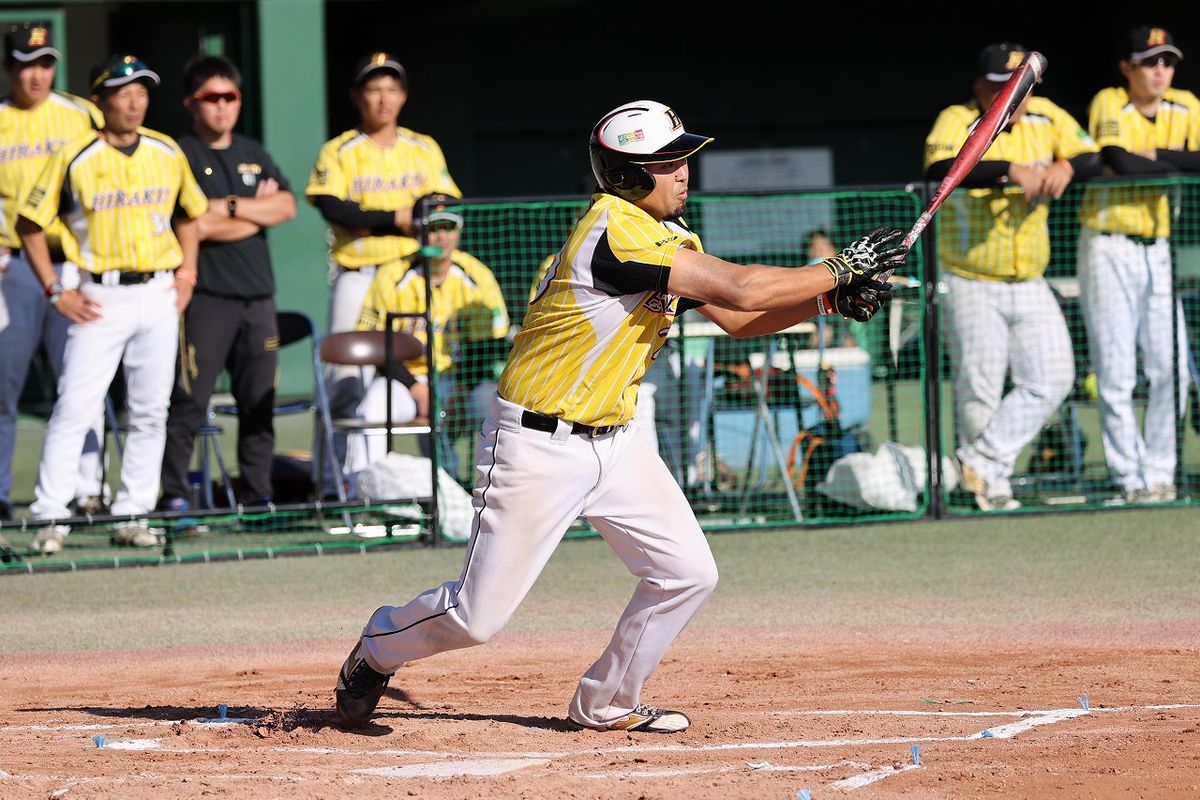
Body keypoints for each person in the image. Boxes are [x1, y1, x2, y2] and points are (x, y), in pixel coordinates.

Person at [333, 100, 904, 732]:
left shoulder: (670, 237)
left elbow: (739, 319)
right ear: (628, 175)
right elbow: (743, 288)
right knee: (476, 618)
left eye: (684, 157)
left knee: (686, 573)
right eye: (666, 162)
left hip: (618, 440)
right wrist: (837, 267)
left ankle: (606, 701)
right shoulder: (614, 229)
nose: (684, 171)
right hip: (537, 442)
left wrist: (824, 300)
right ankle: (378, 647)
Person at [18, 54, 207, 554]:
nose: (134, 100)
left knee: (149, 411)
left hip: (158, 291)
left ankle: (133, 512)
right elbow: (29, 225)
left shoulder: (166, 150)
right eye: (122, 91)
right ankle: (49, 515)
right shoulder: (74, 155)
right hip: (98, 294)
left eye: (141, 90)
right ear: (98, 100)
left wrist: (187, 273)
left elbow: (189, 216)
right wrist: (56, 290)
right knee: (75, 407)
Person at [924, 42, 1101, 512]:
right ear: (980, 87)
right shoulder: (957, 116)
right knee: (979, 387)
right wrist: (1009, 170)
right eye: (1004, 88)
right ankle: (988, 484)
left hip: (1029, 277)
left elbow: (1092, 155)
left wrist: (1064, 165)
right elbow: (940, 167)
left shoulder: (1045, 114)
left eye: (1021, 87)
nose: (1014, 98)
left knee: (1054, 376)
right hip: (971, 277)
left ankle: (981, 460)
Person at [305, 52, 460, 491]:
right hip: (361, 272)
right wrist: (397, 215)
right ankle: (339, 483)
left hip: (413, 276)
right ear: (358, 96)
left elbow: (443, 201)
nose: (383, 97)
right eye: (374, 88)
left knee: (427, 372)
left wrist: (408, 212)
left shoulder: (423, 146)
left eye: (392, 88)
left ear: (403, 95)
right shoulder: (339, 149)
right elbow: (334, 207)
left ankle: (443, 481)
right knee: (345, 379)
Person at [158, 54, 296, 511]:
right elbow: (187, 224)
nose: (221, 106)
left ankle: (257, 497)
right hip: (206, 297)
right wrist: (253, 213)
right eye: (210, 98)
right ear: (191, 103)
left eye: (229, 97)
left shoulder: (254, 151)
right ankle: (176, 496)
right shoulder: (179, 155)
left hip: (258, 298)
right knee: (189, 402)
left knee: (259, 402)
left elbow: (286, 208)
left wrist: (225, 208)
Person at [1078, 25, 1200, 504]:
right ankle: (1129, 477)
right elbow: (1117, 161)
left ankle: (1160, 473)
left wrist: (1155, 157)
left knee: (1172, 368)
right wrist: (1174, 163)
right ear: (1128, 67)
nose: (1160, 71)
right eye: (1150, 62)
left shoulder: (1187, 104)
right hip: (1109, 244)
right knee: (1117, 369)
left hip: (1158, 247)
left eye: (1167, 61)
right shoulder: (1110, 100)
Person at [0, 22, 107, 522]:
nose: (37, 75)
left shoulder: (81, 113)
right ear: (9, 68)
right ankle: (1, 491)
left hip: (77, 264)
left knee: (83, 380)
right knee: (5, 385)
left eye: (45, 64)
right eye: (26, 65)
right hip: (12, 265)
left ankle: (88, 491)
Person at [352, 196, 509, 482]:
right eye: (434, 227)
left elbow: (487, 346)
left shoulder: (475, 275)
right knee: (371, 408)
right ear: (417, 230)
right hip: (405, 380)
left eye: (449, 227)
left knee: (494, 406)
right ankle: (364, 495)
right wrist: (415, 387)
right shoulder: (393, 275)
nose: (442, 236)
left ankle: (488, 491)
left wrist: (463, 385)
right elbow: (375, 343)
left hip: (459, 380)